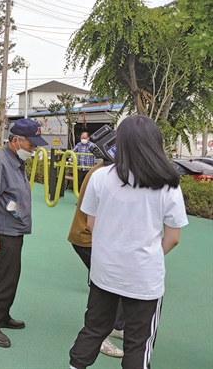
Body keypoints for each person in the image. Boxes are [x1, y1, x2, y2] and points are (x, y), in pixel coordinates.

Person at [69, 115, 188, 369]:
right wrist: (147, 254)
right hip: (144, 278)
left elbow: (91, 224)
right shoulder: (168, 185)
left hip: (104, 272)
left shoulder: (101, 177)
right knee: (138, 344)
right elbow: (173, 238)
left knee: (93, 330)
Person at [0, 118, 48, 348]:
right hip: (3, 231)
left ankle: (2, 314)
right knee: (4, 277)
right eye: (31, 145)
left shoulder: (16, 159)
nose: (34, 149)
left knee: (11, 275)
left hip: (14, 228)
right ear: (16, 141)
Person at [68, 160, 124, 358]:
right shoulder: (105, 174)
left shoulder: (106, 169)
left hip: (92, 238)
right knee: (103, 287)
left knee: (113, 283)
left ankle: (115, 325)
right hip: (88, 239)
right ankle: (99, 336)